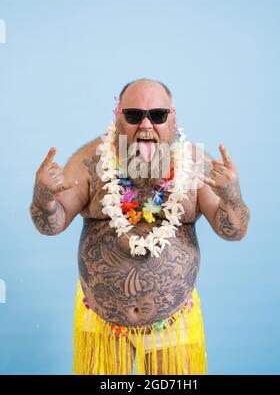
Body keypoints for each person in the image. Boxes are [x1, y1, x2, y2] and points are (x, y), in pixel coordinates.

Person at [29, 78, 250, 375]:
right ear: (117, 116)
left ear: (173, 117)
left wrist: (232, 196)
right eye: (134, 115)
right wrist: (43, 199)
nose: (146, 125)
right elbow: (50, 225)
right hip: (101, 326)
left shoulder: (196, 164)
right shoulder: (90, 162)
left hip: (174, 324)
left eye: (157, 115)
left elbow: (233, 232)